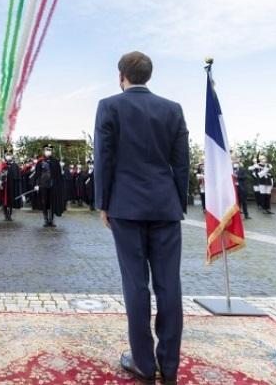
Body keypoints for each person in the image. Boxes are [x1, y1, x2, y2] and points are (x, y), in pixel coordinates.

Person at [93, 51, 188, 385]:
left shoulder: (110, 106)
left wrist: (103, 203)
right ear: (149, 75)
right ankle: (171, 366)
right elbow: (181, 163)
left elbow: (104, 159)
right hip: (165, 206)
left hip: (126, 207)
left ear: (122, 76)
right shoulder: (172, 109)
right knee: (169, 285)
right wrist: (178, 202)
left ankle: (144, 364)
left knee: (135, 285)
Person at [33, 144, 65, 227]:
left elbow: (58, 175)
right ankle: (45, 220)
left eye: (50, 150)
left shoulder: (55, 161)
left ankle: (52, 220)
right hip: (43, 185)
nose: (48, 151)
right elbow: (37, 174)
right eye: (47, 150)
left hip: (53, 185)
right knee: (44, 202)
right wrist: (36, 184)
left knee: (52, 202)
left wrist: (61, 172)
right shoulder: (40, 162)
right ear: (44, 150)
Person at [0, 150, 22, 221]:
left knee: (11, 200)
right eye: (7, 154)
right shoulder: (1, 164)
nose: (8, 156)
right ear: (5, 155)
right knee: (4, 200)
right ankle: (6, 214)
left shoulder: (15, 165)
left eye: (10, 154)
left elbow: (18, 176)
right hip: (3, 185)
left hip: (12, 185)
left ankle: (10, 214)